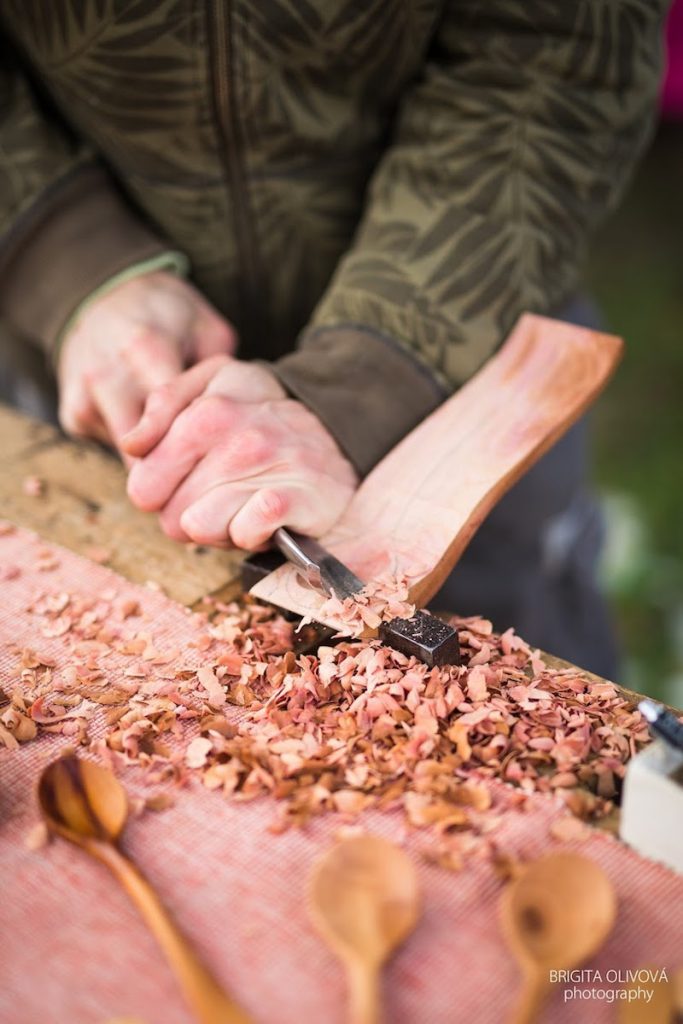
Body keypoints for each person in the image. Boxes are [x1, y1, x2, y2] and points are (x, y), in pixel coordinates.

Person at [0, 2, 669, 677]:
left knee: (521, 657)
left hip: (467, 354)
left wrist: (361, 381)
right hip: (82, 348)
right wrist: (61, 256)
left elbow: (556, 60)